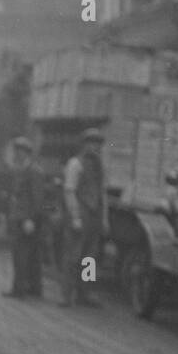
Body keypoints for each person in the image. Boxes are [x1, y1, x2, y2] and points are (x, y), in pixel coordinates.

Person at [60, 128, 107, 308]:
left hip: (95, 215)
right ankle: (66, 295)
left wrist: (104, 219)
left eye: (98, 144)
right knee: (72, 256)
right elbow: (69, 191)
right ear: (84, 145)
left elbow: (102, 193)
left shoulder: (100, 166)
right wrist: (75, 217)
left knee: (90, 259)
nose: (95, 147)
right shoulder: (75, 164)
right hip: (80, 213)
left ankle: (84, 294)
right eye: (91, 143)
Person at [2, 136, 45, 298]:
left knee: (21, 256)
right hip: (20, 218)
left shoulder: (34, 171)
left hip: (26, 219)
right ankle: (33, 288)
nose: (17, 154)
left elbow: (37, 198)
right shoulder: (22, 169)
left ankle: (19, 290)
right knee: (28, 255)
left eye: (20, 152)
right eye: (16, 151)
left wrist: (30, 219)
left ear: (27, 153)